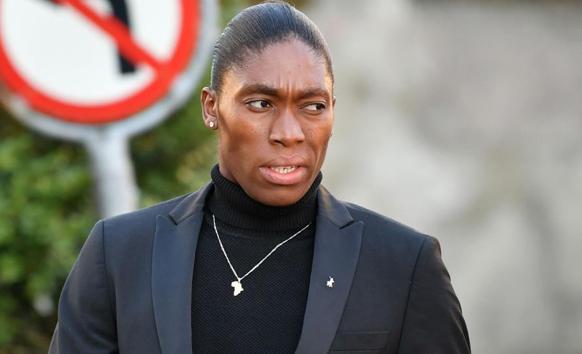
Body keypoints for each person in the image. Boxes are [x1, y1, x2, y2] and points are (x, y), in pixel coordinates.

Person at [49, 2, 471, 353]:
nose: (289, 133)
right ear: (211, 108)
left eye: (313, 106)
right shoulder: (120, 256)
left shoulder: (404, 266)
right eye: (260, 103)